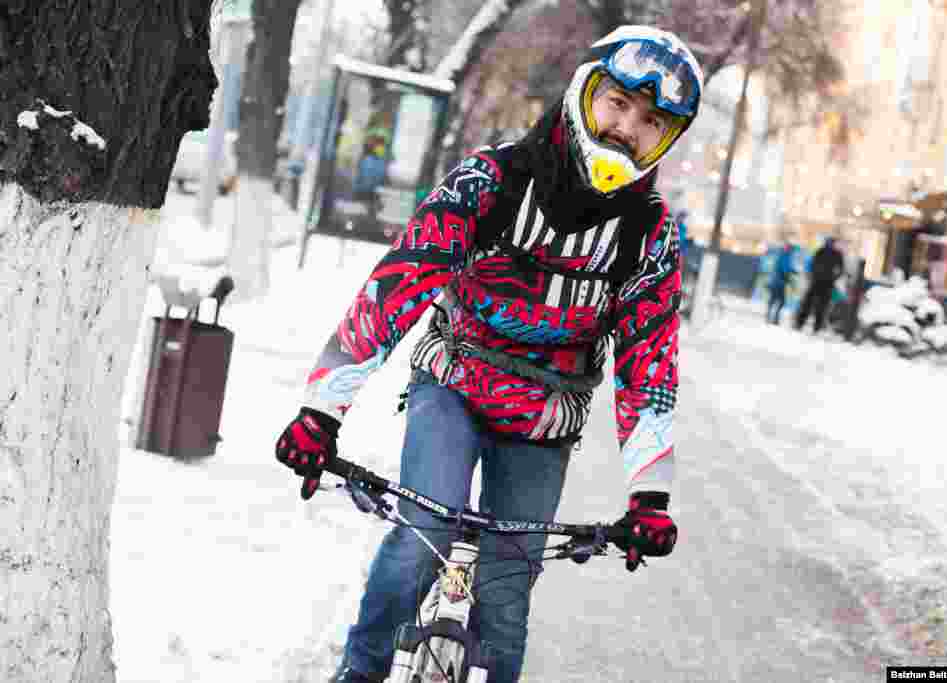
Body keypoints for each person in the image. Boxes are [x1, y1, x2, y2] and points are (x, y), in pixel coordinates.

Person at [274, 26, 703, 683]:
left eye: (651, 121)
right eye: (616, 103)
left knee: (505, 599)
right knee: (423, 538)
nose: (626, 128)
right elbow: (396, 290)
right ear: (582, 94)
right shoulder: (491, 181)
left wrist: (650, 494)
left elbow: (650, 365)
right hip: (454, 383)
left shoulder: (649, 240)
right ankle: (358, 670)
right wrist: (320, 411)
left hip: (544, 421)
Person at [794, 236, 844, 333]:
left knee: (817, 305)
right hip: (819, 282)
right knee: (811, 304)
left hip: (824, 283)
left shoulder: (834, 254)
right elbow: (812, 264)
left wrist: (833, 278)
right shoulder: (821, 251)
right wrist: (813, 275)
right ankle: (803, 324)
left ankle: (812, 326)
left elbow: (840, 269)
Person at [765, 241, 796, 325]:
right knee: (779, 301)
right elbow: (782, 268)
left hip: (779, 282)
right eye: (791, 249)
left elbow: (786, 267)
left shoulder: (786, 256)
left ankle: (771, 316)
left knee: (777, 300)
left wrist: (793, 271)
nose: (792, 251)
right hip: (778, 282)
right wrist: (788, 277)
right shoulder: (783, 255)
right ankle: (772, 317)